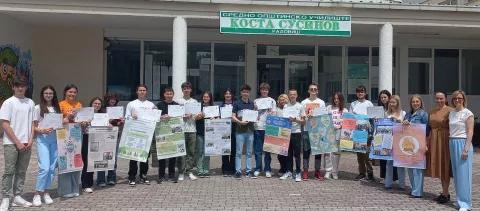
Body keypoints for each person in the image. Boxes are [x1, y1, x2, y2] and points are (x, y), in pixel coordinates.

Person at [0, 79, 35, 210]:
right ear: (13, 88)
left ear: (26, 88)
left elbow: (33, 123)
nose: (20, 88)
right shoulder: (8, 103)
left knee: (21, 171)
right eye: (18, 86)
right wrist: (17, 142)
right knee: (9, 171)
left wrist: (31, 139)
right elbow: (4, 124)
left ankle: (17, 196)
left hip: (27, 143)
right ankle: (5, 198)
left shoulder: (30, 102)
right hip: (11, 143)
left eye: (23, 86)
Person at [32, 85, 61, 207]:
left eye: (50, 93)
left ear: (53, 95)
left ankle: (46, 192)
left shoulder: (56, 108)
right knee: (44, 167)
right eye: (46, 93)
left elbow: (59, 124)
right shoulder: (37, 108)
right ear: (42, 95)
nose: (48, 95)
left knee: (51, 168)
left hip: (55, 141)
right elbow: (33, 127)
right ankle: (37, 194)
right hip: (43, 140)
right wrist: (42, 131)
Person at [125, 84, 155, 186]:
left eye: (144, 90)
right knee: (133, 156)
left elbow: (155, 118)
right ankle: (132, 177)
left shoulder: (151, 105)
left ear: (146, 92)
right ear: (137, 92)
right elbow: (126, 118)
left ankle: (143, 176)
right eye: (140, 90)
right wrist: (131, 116)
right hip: (134, 133)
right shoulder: (131, 104)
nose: (142, 92)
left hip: (146, 134)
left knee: (144, 157)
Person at [448, 90, 474, 211]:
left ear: (463, 99)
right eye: (455, 98)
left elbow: (470, 131)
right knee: (457, 174)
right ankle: (460, 200)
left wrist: (466, 149)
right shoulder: (452, 113)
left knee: (464, 174)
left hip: (463, 142)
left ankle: (466, 204)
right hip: (452, 142)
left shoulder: (468, 113)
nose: (457, 100)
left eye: (460, 98)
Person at [427, 92, 453, 204]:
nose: (439, 100)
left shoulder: (451, 111)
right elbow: (428, 127)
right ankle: (444, 192)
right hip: (434, 140)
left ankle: (446, 193)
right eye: (437, 98)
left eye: (441, 98)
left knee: (445, 167)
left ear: (446, 99)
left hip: (445, 140)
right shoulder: (432, 111)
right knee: (440, 167)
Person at [57, 84, 82, 198]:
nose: (72, 94)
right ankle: (65, 190)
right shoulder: (60, 104)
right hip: (63, 135)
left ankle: (75, 187)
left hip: (76, 135)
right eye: (70, 92)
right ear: (65, 92)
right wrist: (67, 117)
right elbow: (57, 121)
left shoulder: (78, 105)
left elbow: (80, 119)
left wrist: (84, 121)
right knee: (64, 160)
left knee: (76, 159)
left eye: (74, 92)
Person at [403, 95, 429, 198]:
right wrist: (403, 123)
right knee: (410, 167)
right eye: (413, 102)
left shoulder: (423, 114)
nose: (415, 103)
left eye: (417, 101)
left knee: (417, 168)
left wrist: (426, 144)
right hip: (409, 144)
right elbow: (403, 129)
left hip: (419, 144)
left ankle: (417, 192)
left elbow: (427, 130)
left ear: (420, 102)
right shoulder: (408, 114)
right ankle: (414, 188)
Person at [97, 93, 124, 187]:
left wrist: (121, 122)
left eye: (114, 99)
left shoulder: (118, 110)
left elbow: (119, 124)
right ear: (107, 99)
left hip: (114, 136)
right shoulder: (102, 109)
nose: (112, 101)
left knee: (113, 157)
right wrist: (107, 121)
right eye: (110, 99)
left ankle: (111, 178)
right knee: (101, 157)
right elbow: (97, 121)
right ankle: (100, 179)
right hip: (102, 136)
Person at [301, 83, 326, 181]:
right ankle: (306, 171)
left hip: (318, 130)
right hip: (307, 129)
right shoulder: (304, 102)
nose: (313, 91)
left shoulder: (321, 102)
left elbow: (324, 116)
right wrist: (307, 116)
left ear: (317, 91)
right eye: (311, 89)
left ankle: (317, 171)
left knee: (318, 152)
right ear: (308, 91)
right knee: (306, 151)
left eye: (315, 89)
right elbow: (302, 116)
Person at [349, 85, 374, 181]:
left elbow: (372, 117)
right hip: (357, 132)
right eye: (358, 91)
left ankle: (370, 173)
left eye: (362, 91)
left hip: (367, 132)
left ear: (365, 93)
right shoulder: (353, 104)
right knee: (359, 154)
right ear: (356, 93)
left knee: (367, 154)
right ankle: (362, 173)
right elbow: (350, 118)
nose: (360, 93)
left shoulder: (369, 103)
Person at [80, 97, 105, 194]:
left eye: (99, 104)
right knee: (87, 162)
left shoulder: (102, 115)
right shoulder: (85, 113)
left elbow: (105, 126)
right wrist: (84, 124)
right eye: (95, 103)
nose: (97, 105)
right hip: (87, 138)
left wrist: (109, 125)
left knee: (93, 162)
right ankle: (86, 184)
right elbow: (81, 126)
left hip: (97, 139)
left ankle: (88, 183)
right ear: (91, 104)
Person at [175, 82, 199, 181]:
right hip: (181, 130)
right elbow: (174, 115)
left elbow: (197, 116)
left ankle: (189, 171)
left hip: (192, 129)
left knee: (191, 152)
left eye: (188, 88)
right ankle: (181, 172)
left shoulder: (194, 101)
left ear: (191, 90)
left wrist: (194, 116)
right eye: (184, 88)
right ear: (182, 90)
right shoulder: (177, 101)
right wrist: (183, 116)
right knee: (181, 152)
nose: (186, 90)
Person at [253, 82, 277, 178]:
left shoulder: (272, 101)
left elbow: (274, 114)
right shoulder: (256, 101)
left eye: (266, 90)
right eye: (262, 89)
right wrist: (255, 111)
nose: (264, 91)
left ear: (268, 91)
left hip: (268, 128)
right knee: (258, 150)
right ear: (260, 90)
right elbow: (253, 114)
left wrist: (271, 112)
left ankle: (267, 169)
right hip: (258, 127)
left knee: (268, 151)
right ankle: (258, 168)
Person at [156, 87, 179, 184]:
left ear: (173, 94)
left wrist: (172, 117)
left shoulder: (176, 105)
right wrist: (161, 116)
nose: (169, 95)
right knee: (162, 155)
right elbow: (155, 116)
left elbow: (179, 117)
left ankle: (171, 174)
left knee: (173, 154)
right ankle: (161, 175)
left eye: (171, 93)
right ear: (164, 94)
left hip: (173, 133)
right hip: (162, 132)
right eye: (167, 93)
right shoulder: (159, 104)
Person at [232, 84, 255, 179]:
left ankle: (249, 171)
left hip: (250, 131)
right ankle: (238, 171)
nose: (245, 93)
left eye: (247, 92)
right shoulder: (237, 103)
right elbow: (233, 117)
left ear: (249, 93)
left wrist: (254, 118)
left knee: (249, 152)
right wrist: (240, 122)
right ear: (241, 93)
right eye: (244, 92)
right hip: (240, 131)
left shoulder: (252, 104)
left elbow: (254, 115)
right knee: (238, 152)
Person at [281, 89, 304, 182]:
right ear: (289, 96)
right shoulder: (286, 106)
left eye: (294, 94)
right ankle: (289, 171)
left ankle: (298, 172)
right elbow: (283, 119)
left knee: (297, 154)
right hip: (287, 132)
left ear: (297, 95)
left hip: (296, 132)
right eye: (291, 94)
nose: (292, 96)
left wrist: (295, 120)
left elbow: (303, 121)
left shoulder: (300, 106)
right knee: (288, 154)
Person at [384, 95, 406, 190]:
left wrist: (400, 122)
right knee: (389, 162)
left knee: (400, 163)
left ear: (398, 103)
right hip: (389, 139)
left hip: (400, 139)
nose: (392, 104)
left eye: (394, 102)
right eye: (390, 102)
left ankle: (402, 184)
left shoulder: (403, 113)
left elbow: (406, 126)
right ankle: (388, 183)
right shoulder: (386, 113)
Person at [325, 92, 348, 180]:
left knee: (336, 153)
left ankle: (335, 171)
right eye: (335, 98)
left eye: (338, 99)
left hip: (339, 132)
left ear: (341, 100)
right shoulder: (329, 108)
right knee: (328, 153)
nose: (336, 100)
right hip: (329, 132)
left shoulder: (345, 110)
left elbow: (347, 123)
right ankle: (328, 171)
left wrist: (342, 125)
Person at [377, 90, 396, 181]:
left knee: (390, 156)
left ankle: (393, 177)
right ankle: (385, 177)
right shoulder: (379, 109)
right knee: (382, 156)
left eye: (385, 97)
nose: (383, 99)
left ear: (389, 98)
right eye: (381, 97)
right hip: (381, 134)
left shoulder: (393, 108)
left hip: (391, 135)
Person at [195, 91, 214, 178]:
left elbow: (217, 119)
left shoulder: (213, 108)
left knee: (207, 152)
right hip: (200, 132)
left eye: (207, 97)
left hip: (210, 133)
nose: (205, 98)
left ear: (210, 98)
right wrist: (200, 116)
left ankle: (206, 170)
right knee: (200, 152)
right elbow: (195, 118)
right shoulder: (198, 107)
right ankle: (199, 170)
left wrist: (214, 117)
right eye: (204, 97)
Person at [221, 89, 236, 176]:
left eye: (229, 94)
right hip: (224, 129)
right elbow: (217, 116)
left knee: (233, 150)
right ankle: (225, 169)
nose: (228, 95)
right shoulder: (220, 106)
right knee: (225, 150)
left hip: (234, 128)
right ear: (224, 95)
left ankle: (233, 168)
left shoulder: (235, 105)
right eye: (226, 94)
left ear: (232, 95)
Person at [275, 94, 289, 177]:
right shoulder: (276, 110)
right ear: (278, 101)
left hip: (288, 132)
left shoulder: (289, 109)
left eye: (284, 99)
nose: (282, 101)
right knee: (280, 154)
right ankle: (282, 167)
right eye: (281, 100)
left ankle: (287, 169)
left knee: (287, 153)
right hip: (279, 133)